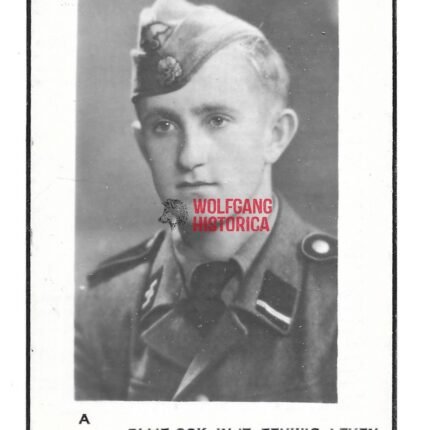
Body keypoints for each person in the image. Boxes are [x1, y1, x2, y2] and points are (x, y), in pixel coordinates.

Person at [75, 0, 337, 402]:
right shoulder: (102, 309)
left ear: (276, 136)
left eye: (217, 120)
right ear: (143, 145)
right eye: (163, 126)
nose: (189, 156)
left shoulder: (344, 302)